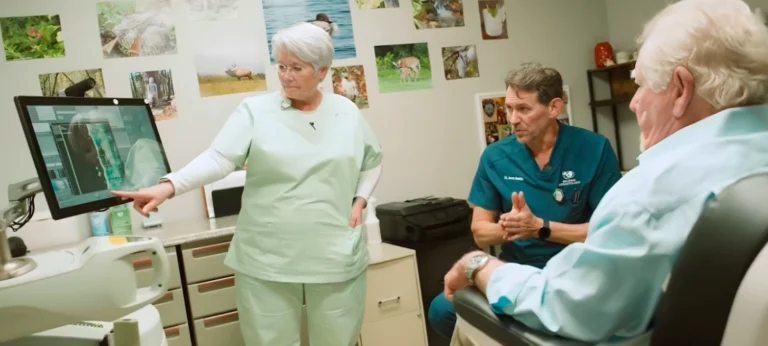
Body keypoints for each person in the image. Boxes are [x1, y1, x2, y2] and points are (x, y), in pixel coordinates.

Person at [443, 0, 768, 343]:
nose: (633, 102)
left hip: (576, 300)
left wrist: (477, 265)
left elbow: (567, 307)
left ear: (680, 90)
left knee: (465, 322)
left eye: (640, 85)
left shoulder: (654, 194)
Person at [112, 22, 383, 346]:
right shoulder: (255, 111)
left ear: (322, 71)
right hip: (267, 256)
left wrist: (361, 199)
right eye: (281, 66)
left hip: (334, 252)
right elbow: (219, 159)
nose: (286, 75)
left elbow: (373, 160)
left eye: (297, 68)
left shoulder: (347, 112)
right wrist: (168, 186)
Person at [427, 63, 622, 340]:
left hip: (574, 266)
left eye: (524, 109)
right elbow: (480, 233)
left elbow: (608, 232)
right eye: (508, 108)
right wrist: (513, 227)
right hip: (515, 268)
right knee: (442, 310)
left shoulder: (593, 148)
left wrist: (539, 227)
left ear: (554, 108)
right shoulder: (495, 157)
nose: (513, 119)